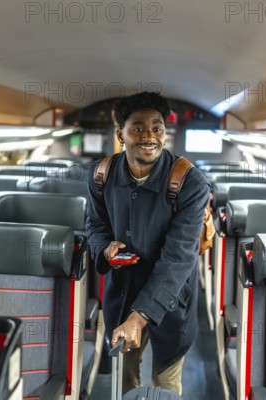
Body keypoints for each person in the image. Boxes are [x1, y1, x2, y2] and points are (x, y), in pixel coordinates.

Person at [85, 91, 210, 395]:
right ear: (120, 134)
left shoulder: (189, 181)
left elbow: (179, 258)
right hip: (122, 292)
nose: (149, 136)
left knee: (166, 381)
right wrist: (105, 248)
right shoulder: (101, 174)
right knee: (125, 377)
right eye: (138, 128)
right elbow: (95, 224)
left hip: (172, 295)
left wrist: (138, 318)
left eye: (157, 127)